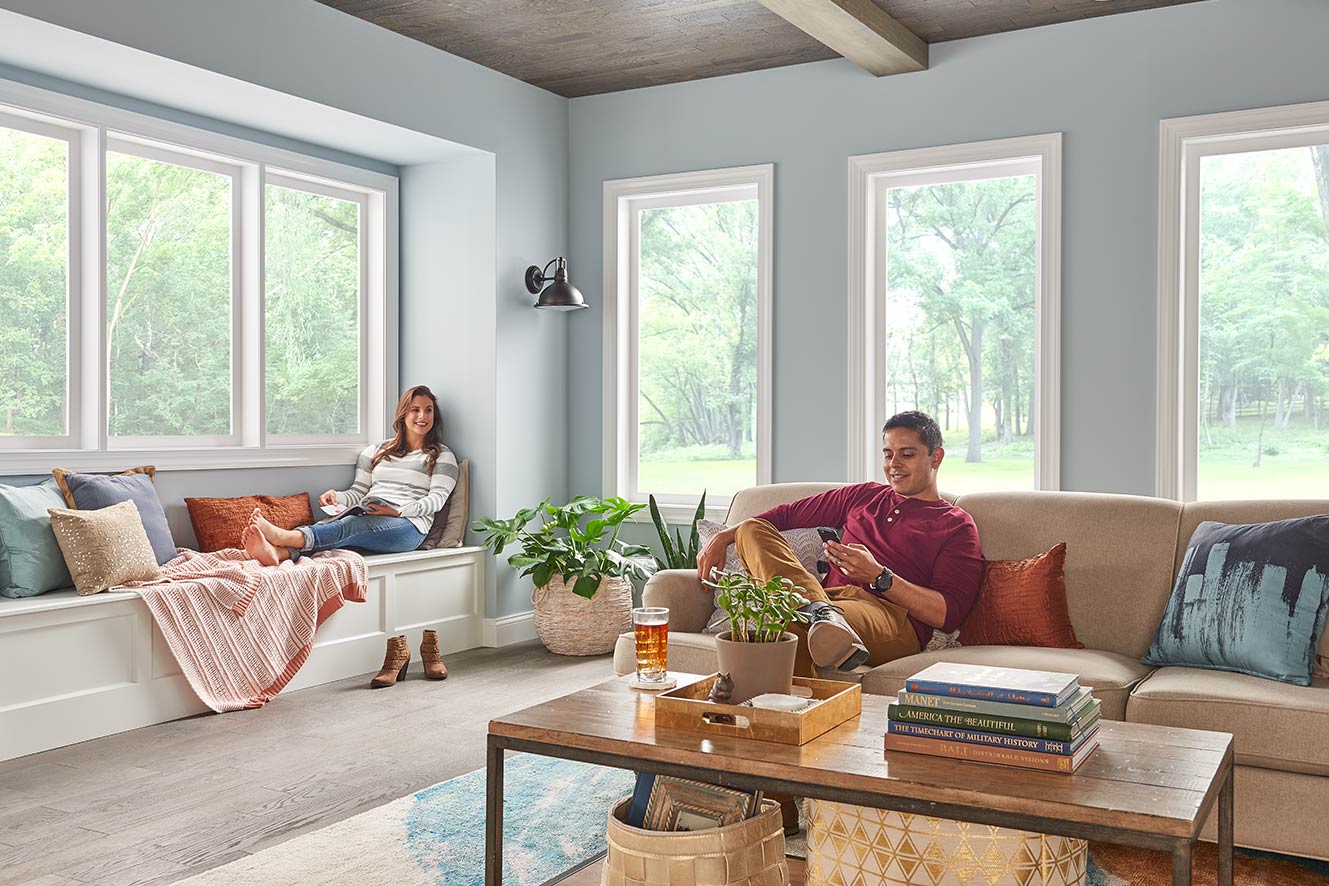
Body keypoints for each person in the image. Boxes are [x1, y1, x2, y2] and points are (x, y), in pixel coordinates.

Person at [696, 410, 984, 677]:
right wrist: (723, 536)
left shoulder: (956, 525)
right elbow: (786, 515)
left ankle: (814, 622)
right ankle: (819, 615)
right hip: (830, 598)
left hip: (890, 616)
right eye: (887, 454)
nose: (893, 465)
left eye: (906, 454)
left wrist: (879, 577)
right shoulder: (865, 495)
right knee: (751, 528)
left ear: (936, 457)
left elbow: (947, 614)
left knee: (782, 625)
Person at [242, 385, 459, 567]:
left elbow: (436, 501)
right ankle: (279, 554)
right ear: (403, 414)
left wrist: (397, 511)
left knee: (353, 525)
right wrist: (337, 497)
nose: (422, 416)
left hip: (409, 526)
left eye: (428, 410)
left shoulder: (442, 455)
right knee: (339, 524)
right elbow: (358, 492)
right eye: (415, 410)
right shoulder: (377, 451)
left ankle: (282, 536)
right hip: (370, 513)